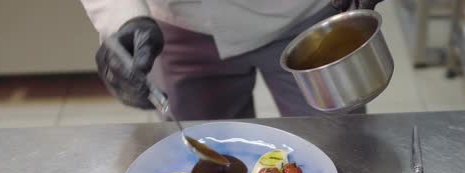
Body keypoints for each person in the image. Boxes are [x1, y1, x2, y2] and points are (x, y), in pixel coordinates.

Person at [80, 0, 383, 120]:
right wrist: (123, 18)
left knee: (343, 151)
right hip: (183, 21)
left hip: (303, 13)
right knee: (208, 170)